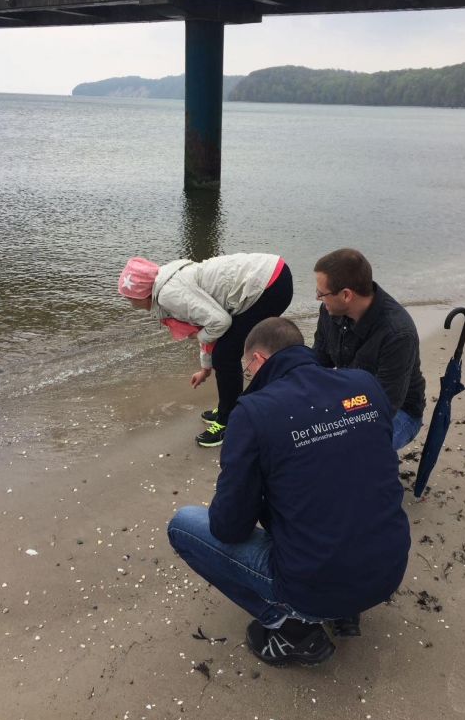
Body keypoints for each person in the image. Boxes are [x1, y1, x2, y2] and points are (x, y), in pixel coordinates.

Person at [167, 318, 410, 666]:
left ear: (259, 361)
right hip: (389, 567)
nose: (249, 379)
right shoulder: (364, 384)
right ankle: (346, 609)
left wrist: (260, 490)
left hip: (315, 584)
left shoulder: (252, 413)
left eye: (248, 371)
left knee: (183, 524)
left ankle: (287, 626)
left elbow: (228, 527)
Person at [118, 253, 292, 447]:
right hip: (271, 275)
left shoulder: (169, 296)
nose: (130, 303)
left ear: (143, 293)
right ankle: (228, 406)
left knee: (225, 356)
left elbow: (219, 323)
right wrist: (205, 368)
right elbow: (207, 325)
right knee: (224, 352)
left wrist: (200, 339)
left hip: (270, 286)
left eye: (130, 298)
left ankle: (228, 421)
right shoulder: (166, 284)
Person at [312, 248, 426, 452]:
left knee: (343, 450)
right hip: (349, 397)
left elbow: (384, 405)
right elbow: (318, 362)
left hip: (399, 413)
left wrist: (335, 412)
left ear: (346, 295)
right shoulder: (329, 311)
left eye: (321, 293)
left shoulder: (397, 334)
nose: (318, 298)